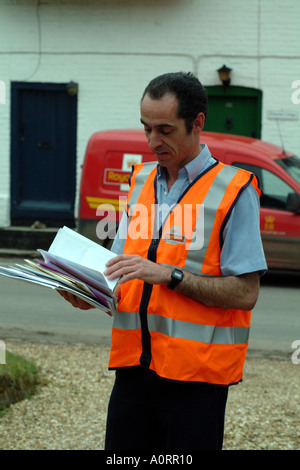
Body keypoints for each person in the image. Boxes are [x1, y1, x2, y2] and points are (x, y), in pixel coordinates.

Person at [59, 72, 267, 451]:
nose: (153, 141)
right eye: (146, 128)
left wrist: (170, 276)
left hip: (197, 381)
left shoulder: (235, 191)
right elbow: (121, 271)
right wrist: (89, 292)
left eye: (166, 130)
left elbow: (246, 293)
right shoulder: (138, 182)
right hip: (133, 371)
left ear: (198, 122)